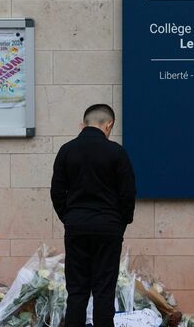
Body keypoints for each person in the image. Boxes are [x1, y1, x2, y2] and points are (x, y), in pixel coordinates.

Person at [50, 104, 136, 327]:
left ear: (83, 124)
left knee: (77, 292)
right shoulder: (117, 152)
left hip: (77, 227)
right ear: (109, 125)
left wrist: (69, 218)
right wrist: (119, 223)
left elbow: (57, 192)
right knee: (103, 291)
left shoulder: (66, 150)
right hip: (108, 228)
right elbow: (128, 194)